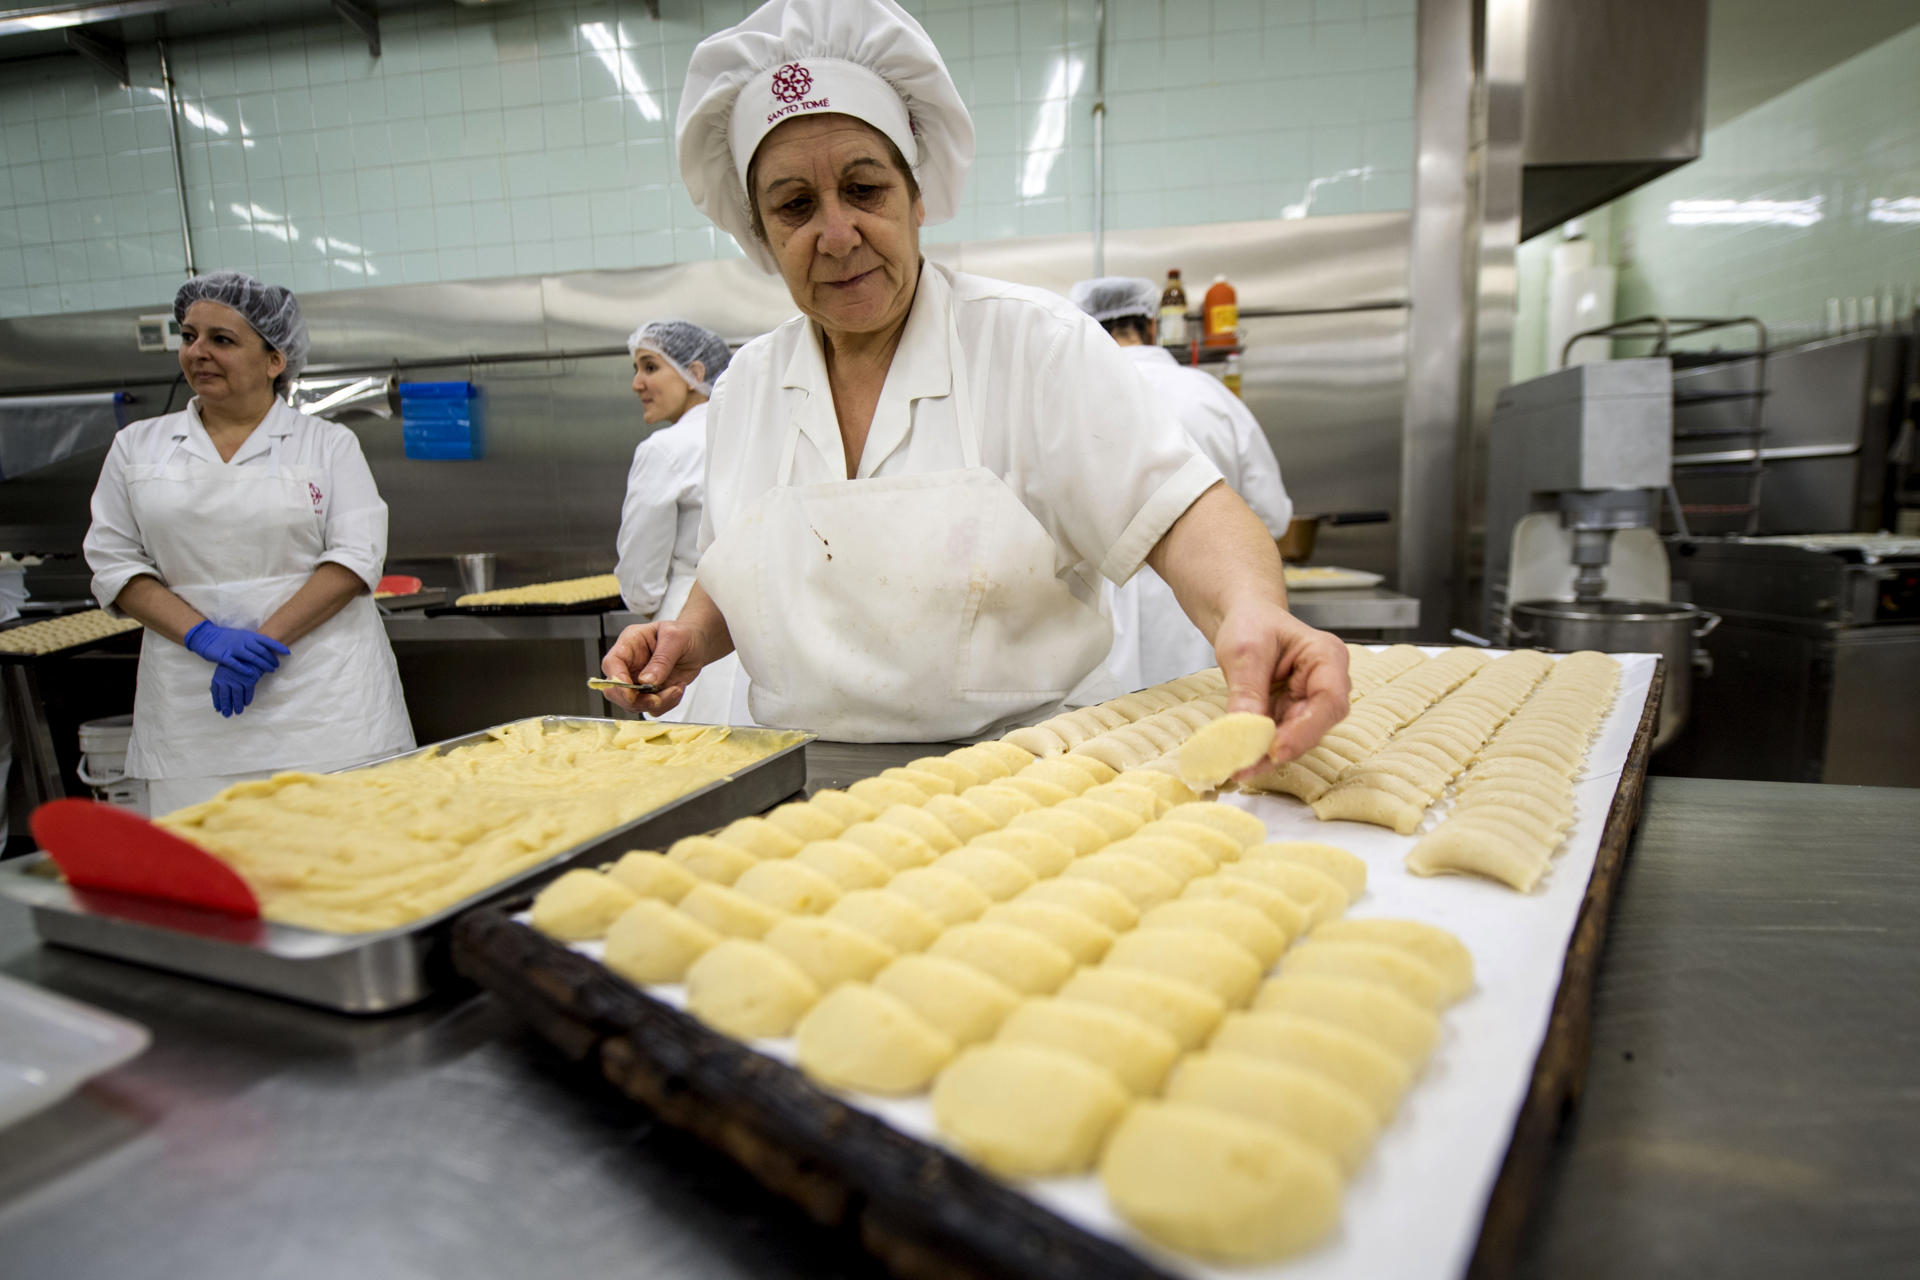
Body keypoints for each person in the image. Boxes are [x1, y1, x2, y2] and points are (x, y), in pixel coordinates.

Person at [602, 0, 1348, 763]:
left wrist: (1253, 611)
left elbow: (1182, 515)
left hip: (1020, 785)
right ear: (760, 233)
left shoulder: (1033, 344)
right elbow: (743, 562)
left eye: (865, 189)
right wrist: (689, 636)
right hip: (797, 789)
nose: (836, 234)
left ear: (916, 195)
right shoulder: (747, 388)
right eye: (795, 206)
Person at [83, 271, 414, 815]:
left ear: (274, 360)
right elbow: (114, 562)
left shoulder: (327, 444)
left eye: (222, 340)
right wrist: (205, 638)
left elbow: (354, 559)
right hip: (194, 713)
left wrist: (260, 647)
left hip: (326, 703)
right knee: (209, 865)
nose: (199, 353)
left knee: (345, 858)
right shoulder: (137, 447)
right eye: (189, 336)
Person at [1068, 276, 1295, 688]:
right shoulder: (1210, 396)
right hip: (1200, 621)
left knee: (1106, 744)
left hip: (1095, 634)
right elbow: (1271, 516)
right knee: (1206, 736)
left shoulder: (1068, 400)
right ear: (1152, 325)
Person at [614, 320, 753, 724]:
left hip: (684, 642)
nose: (638, 383)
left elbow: (641, 580)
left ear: (696, 373)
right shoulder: (747, 431)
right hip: (753, 641)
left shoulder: (664, 449)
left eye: (650, 367)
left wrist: (641, 603)